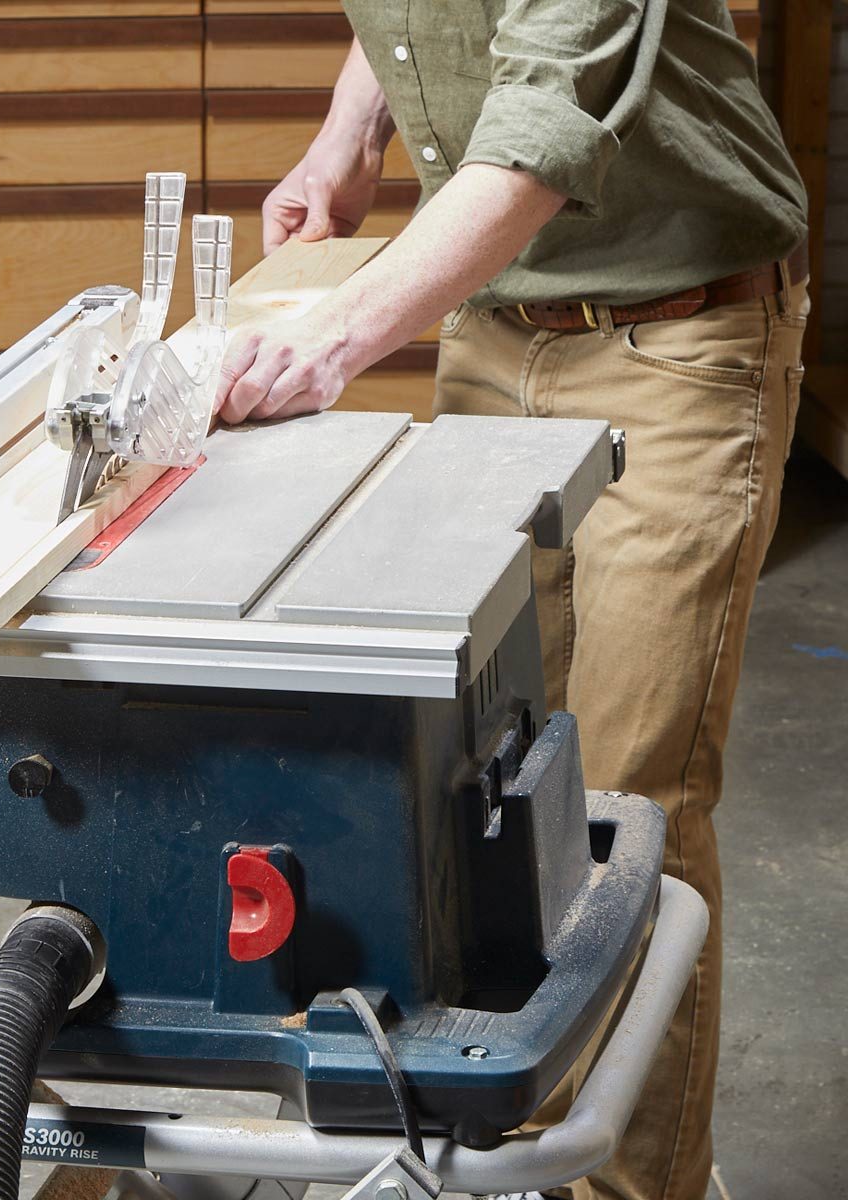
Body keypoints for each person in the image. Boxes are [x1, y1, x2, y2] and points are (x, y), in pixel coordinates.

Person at [213, 5, 809, 1200]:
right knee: (484, 780)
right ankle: (525, 1154)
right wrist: (350, 133)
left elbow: (539, 133)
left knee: (632, 813)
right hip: (494, 328)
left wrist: (336, 333)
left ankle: (641, 1189)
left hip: (675, 341)